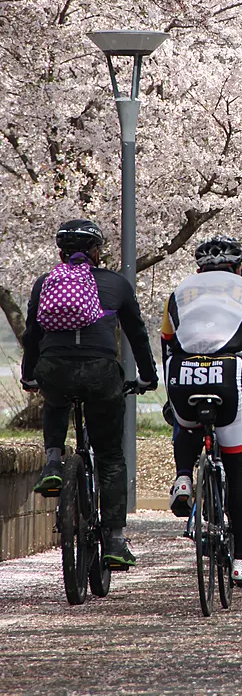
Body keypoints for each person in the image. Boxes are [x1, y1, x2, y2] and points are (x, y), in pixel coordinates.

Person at [21, 218, 159, 570]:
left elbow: (33, 334)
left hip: (54, 367)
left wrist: (29, 376)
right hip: (100, 372)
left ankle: (53, 461)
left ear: (60, 252)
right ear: (97, 251)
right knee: (111, 456)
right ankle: (114, 540)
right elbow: (137, 333)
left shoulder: (45, 283)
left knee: (54, 399)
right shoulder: (116, 283)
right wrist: (147, 376)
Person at [162, 236, 242, 584]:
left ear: (199, 268)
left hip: (181, 372)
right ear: (238, 268)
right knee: (239, 466)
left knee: (184, 421)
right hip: (228, 374)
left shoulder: (179, 291)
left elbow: (167, 344)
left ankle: (184, 477)